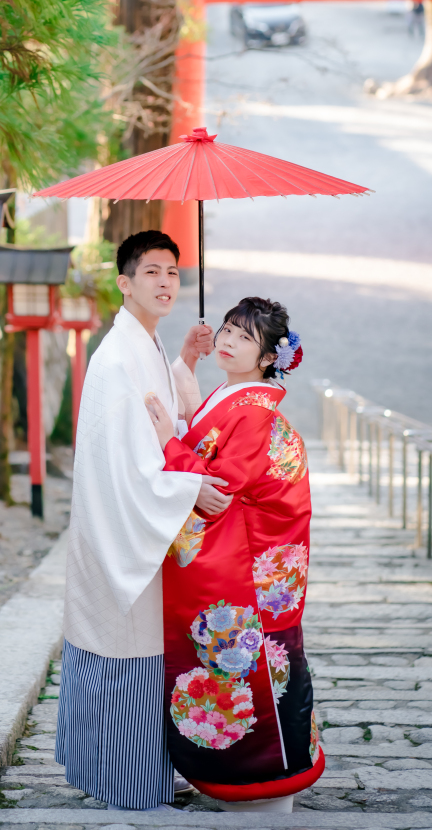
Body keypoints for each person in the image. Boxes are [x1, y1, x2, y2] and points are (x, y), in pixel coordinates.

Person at [55, 230, 232, 810]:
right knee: (127, 648)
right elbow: (126, 463)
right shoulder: (116, 359)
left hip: (140, 523)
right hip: (122, 526)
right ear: (124, 283)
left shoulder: (145, 343)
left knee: (134, 647)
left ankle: (128, 775)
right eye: (151, 272)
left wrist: (186, 359)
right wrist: (187, 487)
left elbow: (167, 412)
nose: (164, 282)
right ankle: (127, 784)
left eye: (173, 273)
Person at [161, 297, 324, 812]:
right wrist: (187, 370)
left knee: (245, 658)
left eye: (245, 338)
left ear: (269, 357)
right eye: (228, 329)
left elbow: (221, 485)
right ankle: (261, 772)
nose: (229, 341)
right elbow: (207, 449)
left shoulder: (252, 412)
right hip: (251, 554)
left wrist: (168, 438)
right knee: (251, 659)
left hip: (247, 560)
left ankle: (262, 778)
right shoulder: (235, 396)